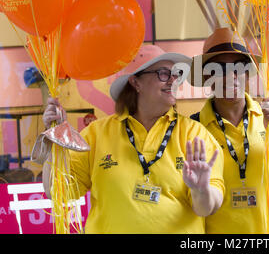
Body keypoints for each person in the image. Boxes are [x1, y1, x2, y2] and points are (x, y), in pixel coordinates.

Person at [40, 45, 224, 234]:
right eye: (163, 73)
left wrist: (201, 190)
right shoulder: (96, 134)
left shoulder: (194, 135)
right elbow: (57, 192)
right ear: (136, 83)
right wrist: (54, 138)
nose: (173, 80)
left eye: (176, 74)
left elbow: (205, 208)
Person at [188, 27, 269, 234]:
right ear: (207, 76)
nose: (230, 76)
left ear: (248, 73)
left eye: (238, 67)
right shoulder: (193, 129)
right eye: (219, 68)